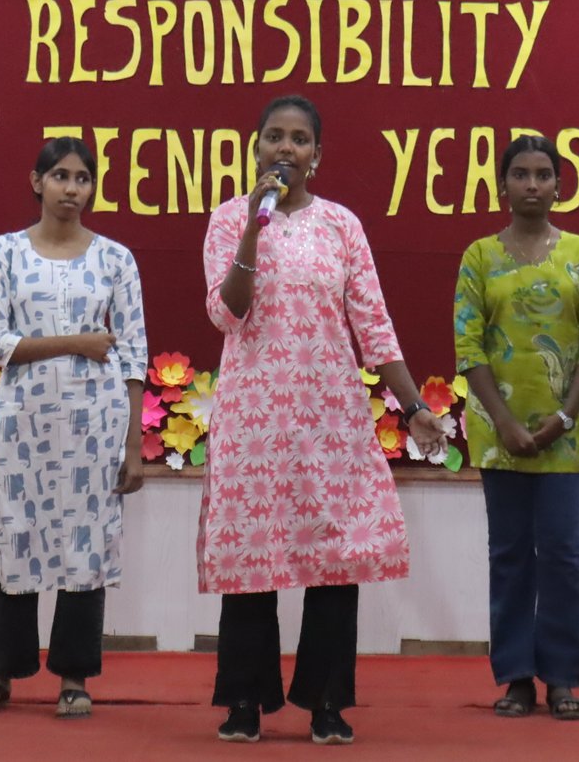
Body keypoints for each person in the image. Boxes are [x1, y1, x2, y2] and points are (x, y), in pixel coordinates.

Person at [198, 94, 448, 746]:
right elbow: (228, 312)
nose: (286, 148)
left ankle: (327, 700)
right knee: (252, 553)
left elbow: (374, 325)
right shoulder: (228, 219)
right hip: (253, 418)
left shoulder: (341, 225)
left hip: (329, 417)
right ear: (255, 147)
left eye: (299, 139)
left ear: (317, 154)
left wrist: (414, 407)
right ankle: (245, 700)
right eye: (274, 137)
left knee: (335, 557)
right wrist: (253, 227)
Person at [0, 137, 148, 720]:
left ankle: (74, 677)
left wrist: (133, 447)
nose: (72, 189)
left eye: (83, 178)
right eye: (61, 176)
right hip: (25, 424)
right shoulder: (4, 253)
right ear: (37, 181)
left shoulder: (116, 259)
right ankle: (1, 672)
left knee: (84, 546)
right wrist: (77, 342)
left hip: (96, 425)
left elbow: (133, 355)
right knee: (14, 536)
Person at [452, 134, 579, 722]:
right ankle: (516, 676)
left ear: (559, 186)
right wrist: (504, 422)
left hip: (567, 433)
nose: (532, 184)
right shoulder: (479, 257)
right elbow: (469, 346)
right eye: (520, 174)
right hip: (499, 434)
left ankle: (563, 677)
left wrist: (562, 418)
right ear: (502, 185)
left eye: (543, 174)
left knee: (562, 553)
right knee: (511, 554)